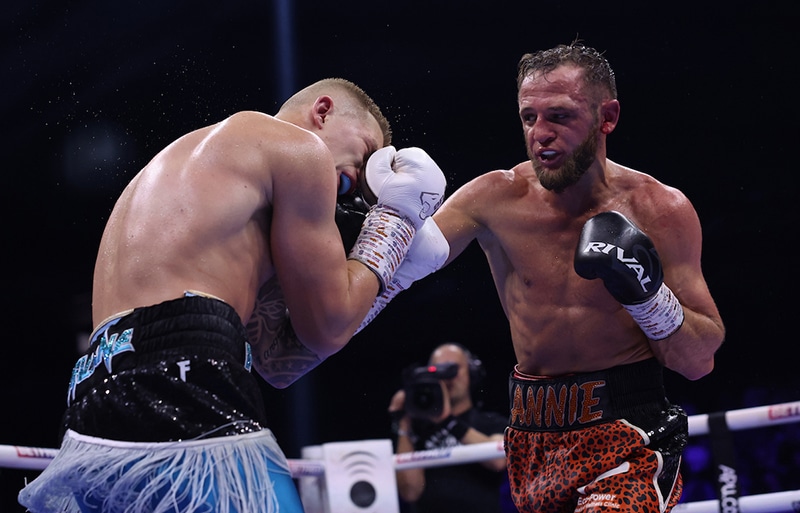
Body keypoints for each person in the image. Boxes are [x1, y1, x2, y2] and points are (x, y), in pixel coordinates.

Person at [18, 77, 448, 512]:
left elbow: (278, 363)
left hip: (94, 393)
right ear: (322, 111)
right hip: (182, 375)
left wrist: (393, 278)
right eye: (367, 152)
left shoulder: (215, 177)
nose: (359, 184)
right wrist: (394, 218)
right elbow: (330, 324)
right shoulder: (300, 149)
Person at [426, 43, 726, 512]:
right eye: (529, 117)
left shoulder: (659, 210)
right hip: (530, 432)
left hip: (627, 430)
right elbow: (401, 266)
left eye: (560, 116)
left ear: (607, 117)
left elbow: (698, 360)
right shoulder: (492, 199)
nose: (540, 134)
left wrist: (648, 298)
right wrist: (387, 207)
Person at [388, 342, 509, 513]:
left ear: (471, 374)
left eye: (453, 369)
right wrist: (403, 423)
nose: (447, 377)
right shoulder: (416, 430)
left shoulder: (490, 422)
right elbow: (410, 492)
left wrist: (447, 421)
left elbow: (498, 461)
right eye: (439, 370)